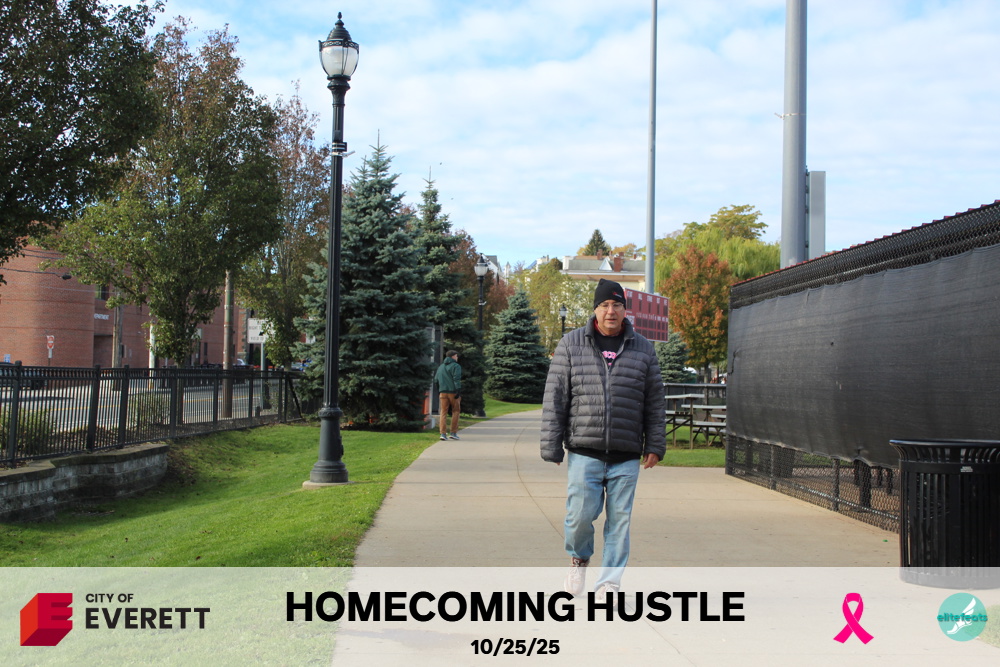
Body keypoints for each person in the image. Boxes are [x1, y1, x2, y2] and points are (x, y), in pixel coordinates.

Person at [540, 279, 666, 599]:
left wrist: (655, 444)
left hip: (626, 452)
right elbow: (555, 397)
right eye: (605, 305)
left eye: (617, 305)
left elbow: (654, 400)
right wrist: (552, 444)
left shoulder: (643, 348)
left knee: (619, 521)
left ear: (625, 310)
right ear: (595, 309)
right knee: (579, 517)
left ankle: (609, 582)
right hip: (585, 449)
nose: (611, 311)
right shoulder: (571, 344)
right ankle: (579, 558)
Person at [435, 350, 462, 441]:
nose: (457, 357)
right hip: (453, 392)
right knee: (456, 411)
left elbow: (436, 380)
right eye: (456, 356)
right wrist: (458, 390)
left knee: (443, 412)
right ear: (453, 356)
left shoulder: (441, 367)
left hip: (442, 392)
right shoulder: (456, 366)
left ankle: (442, 433)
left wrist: (439, 389)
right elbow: (456, 378)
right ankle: (453, 433)